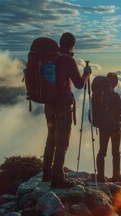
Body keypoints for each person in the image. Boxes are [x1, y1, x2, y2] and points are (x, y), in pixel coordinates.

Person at [42, 32, 92, 188]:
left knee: (51, 139)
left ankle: (46, 173)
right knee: (62, 143)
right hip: (62, 108)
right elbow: (78, 84)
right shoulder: (67, 60)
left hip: (48, 105)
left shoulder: (49, 57)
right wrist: (86, 74)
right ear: (72, 46)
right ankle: (58, 178)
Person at [96, 72, 121, 182]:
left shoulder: (99, 96)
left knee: (102, 152)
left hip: (102, 128)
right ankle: (116, 176)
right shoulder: (115, 96)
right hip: (115, 128)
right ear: (115, 84)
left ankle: (100, 177)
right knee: (116, 153)